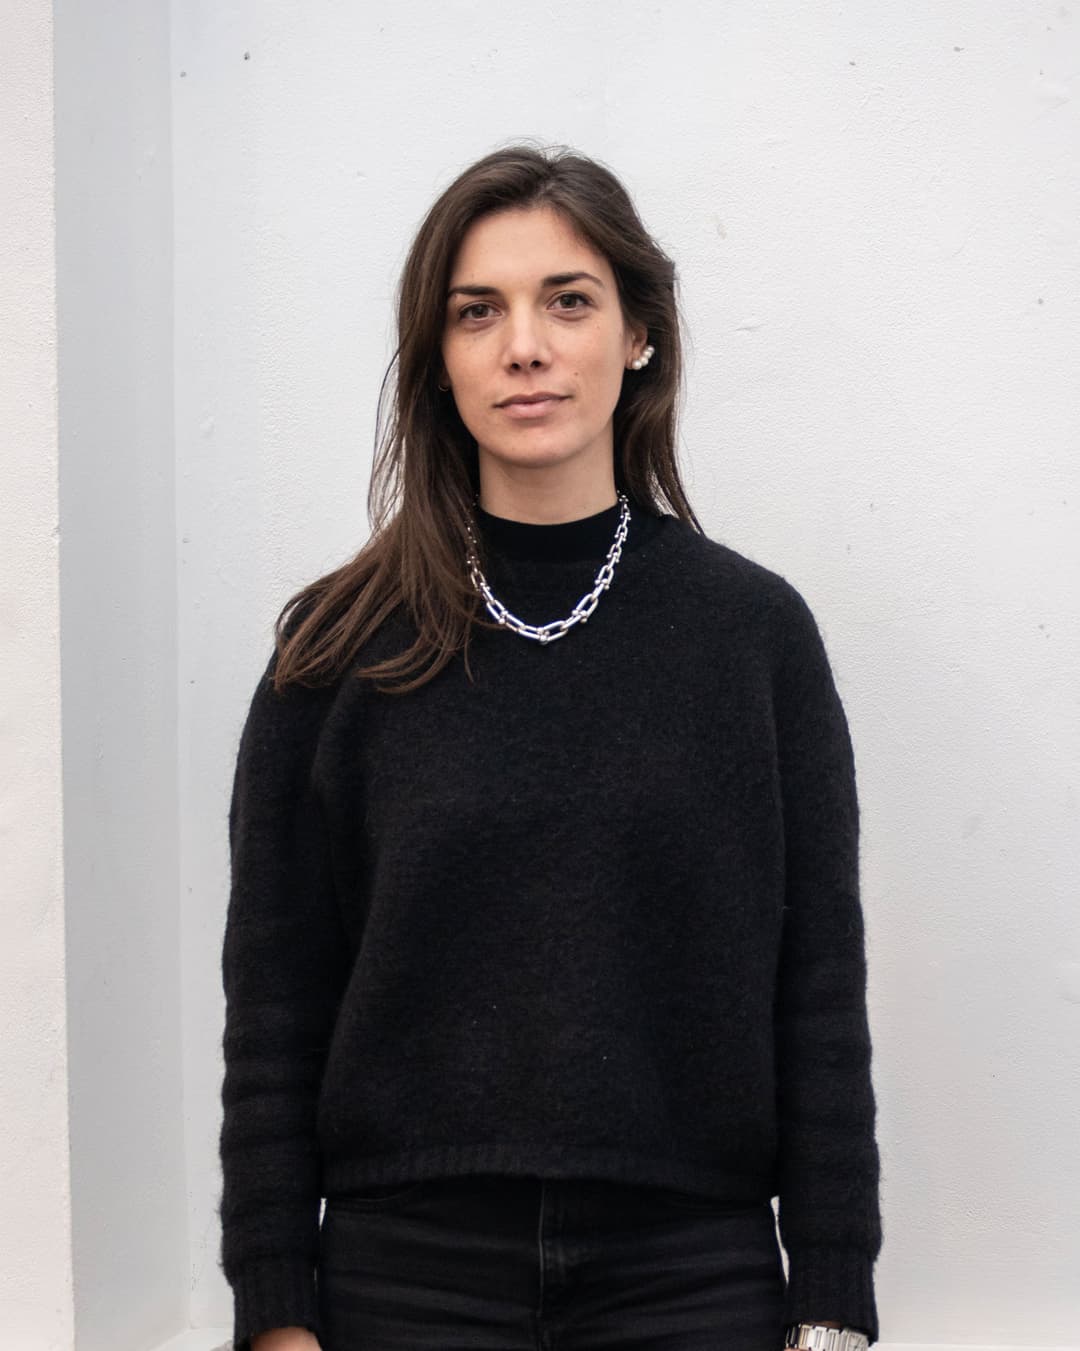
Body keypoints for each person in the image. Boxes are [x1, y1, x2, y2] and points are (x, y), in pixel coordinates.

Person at [217, 142, 883, 1351]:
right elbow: (275, 998)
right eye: (478, 312)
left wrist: (834, 1298)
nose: (524, 345)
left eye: (567, 301)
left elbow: (819, 982)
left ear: (639, 334)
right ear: (439, 358)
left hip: (690, 1271)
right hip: (404, 1276)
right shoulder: (337, 650)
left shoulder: (752, 637)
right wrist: (272, 1309)